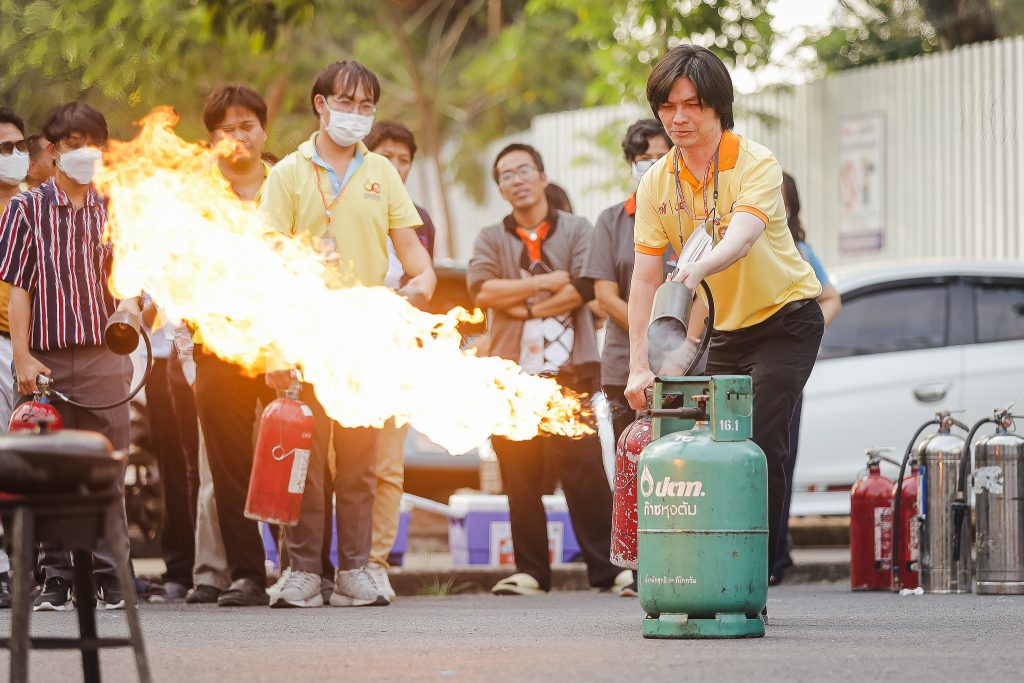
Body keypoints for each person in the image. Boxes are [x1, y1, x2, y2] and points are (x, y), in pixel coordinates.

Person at [624, 45, 824, 591]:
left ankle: (752, 576)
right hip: (728, 330)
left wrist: (692, 272)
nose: (679, 118)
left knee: (759, 441)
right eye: (668, 106)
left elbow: (740, 239)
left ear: (719, 108)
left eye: (693, 105)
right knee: (709, 445)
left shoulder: (755, 162)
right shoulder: (655, 183)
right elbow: (644, 279)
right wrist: (638, 365)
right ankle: (707, 570)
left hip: (788, 320)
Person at [260, 60, 436, 609]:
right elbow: (266, 263)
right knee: (303, 463)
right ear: (320, 104)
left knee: (360, 463)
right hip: (305, 338)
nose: (357, 116)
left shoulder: (381, 171)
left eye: (367, 107)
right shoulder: (287, 173)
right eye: (347, 103)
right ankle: (302, 572)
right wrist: (275, 347)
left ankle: (355, 571)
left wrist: (424, 280)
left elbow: (414, 256)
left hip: (366, 344)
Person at [467, 143, 628, 597]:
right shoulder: (489, 238)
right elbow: (482, 292)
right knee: (518, 474)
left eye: (523, 170)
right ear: (500, 187)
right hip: (510, 375)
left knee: (585, 471)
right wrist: (540, 284)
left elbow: (581, 288)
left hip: (569, 370)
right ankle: (532, 572)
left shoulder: (578, 228)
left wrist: (518, 301)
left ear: (542, 175)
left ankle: (609, 568)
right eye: (505, 175)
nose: (516, 180)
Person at [0, 102, 138, 611]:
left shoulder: (117, 207)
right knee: (50, 470)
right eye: (72, 143)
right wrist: (22, 357)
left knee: (106, 468)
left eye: (92, 142)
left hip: (105, 357)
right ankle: (57, 577)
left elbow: (132, 278)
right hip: (47, 361)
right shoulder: (26, 210)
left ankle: (109, 574)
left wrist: (129, 307)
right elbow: (18, 288)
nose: (84, 152)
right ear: (52, 151)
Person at [187, 84, 278, 607]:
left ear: (263, 129)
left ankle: (304, 568)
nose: (238, 136)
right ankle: (246, 574)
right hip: (217, 342)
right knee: (226, 468)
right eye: (226, 129)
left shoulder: (290, 183)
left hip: (287, 342)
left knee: (298, 462)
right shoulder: (194, 195)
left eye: (247, 125)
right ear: (213, 139)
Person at [361, 119, 436, 601]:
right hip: (343, 348)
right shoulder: (342, 206)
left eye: (403, 158)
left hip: (395, 354)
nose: (394, 165)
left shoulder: (420, 219)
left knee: (387, 467)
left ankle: (374, 561)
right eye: (385, 154)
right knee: (329, 463)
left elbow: (423, 284)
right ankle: (316, 562)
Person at [771, 172, 842, 584]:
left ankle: (775, 559)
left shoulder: (798, 251)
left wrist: (804, 335)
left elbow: (831, 298)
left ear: (791, 206)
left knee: (780, 462)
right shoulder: (734, 246)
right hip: (742, 374)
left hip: (787, 375)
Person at [583, 119, 673, 441]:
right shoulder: (611, 221)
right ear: (631, 163)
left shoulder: (692, 216)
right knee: (630, 465)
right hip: (625, 368)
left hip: (687, 366)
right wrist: (655, 332)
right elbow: (605, 297)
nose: (653, 165)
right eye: (644, 158)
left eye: (663, 156)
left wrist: (679, 342)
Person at [0, 106, 30, 609]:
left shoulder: (37, 207)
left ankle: (41, 565)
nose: (16, 156)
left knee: (32, 464)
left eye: (21, 146)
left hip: (40, 352)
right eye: (4, 149)